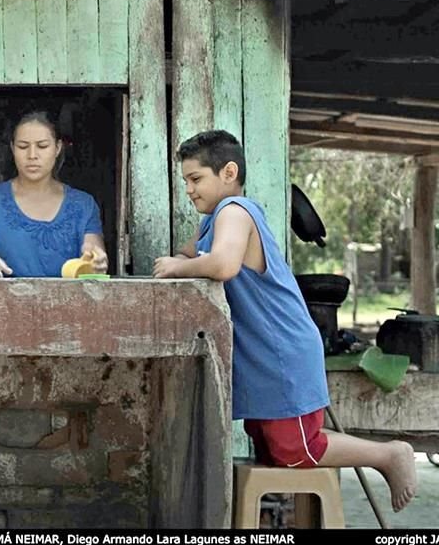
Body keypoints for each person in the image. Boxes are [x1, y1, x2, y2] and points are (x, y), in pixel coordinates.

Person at [153, 130, 417, 513]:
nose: (190, 189)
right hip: (262, 355)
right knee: (272, 448)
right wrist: (184, 257)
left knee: (296, 449)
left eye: (196, 179)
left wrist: (178, 267)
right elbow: (198, 251)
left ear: (228, 172)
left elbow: (224, 265)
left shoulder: (235, 212)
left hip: (281, 350)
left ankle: (389, 455)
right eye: (186, 181)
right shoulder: (216, 221)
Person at [0, 109, 107, 278]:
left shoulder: (84, 205)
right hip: (1, 304)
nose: (32, 155)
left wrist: (96, 262)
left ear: (58, 147)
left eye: (42, 146)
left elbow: (94, 261)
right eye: (23, 146)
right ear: (12, 148)